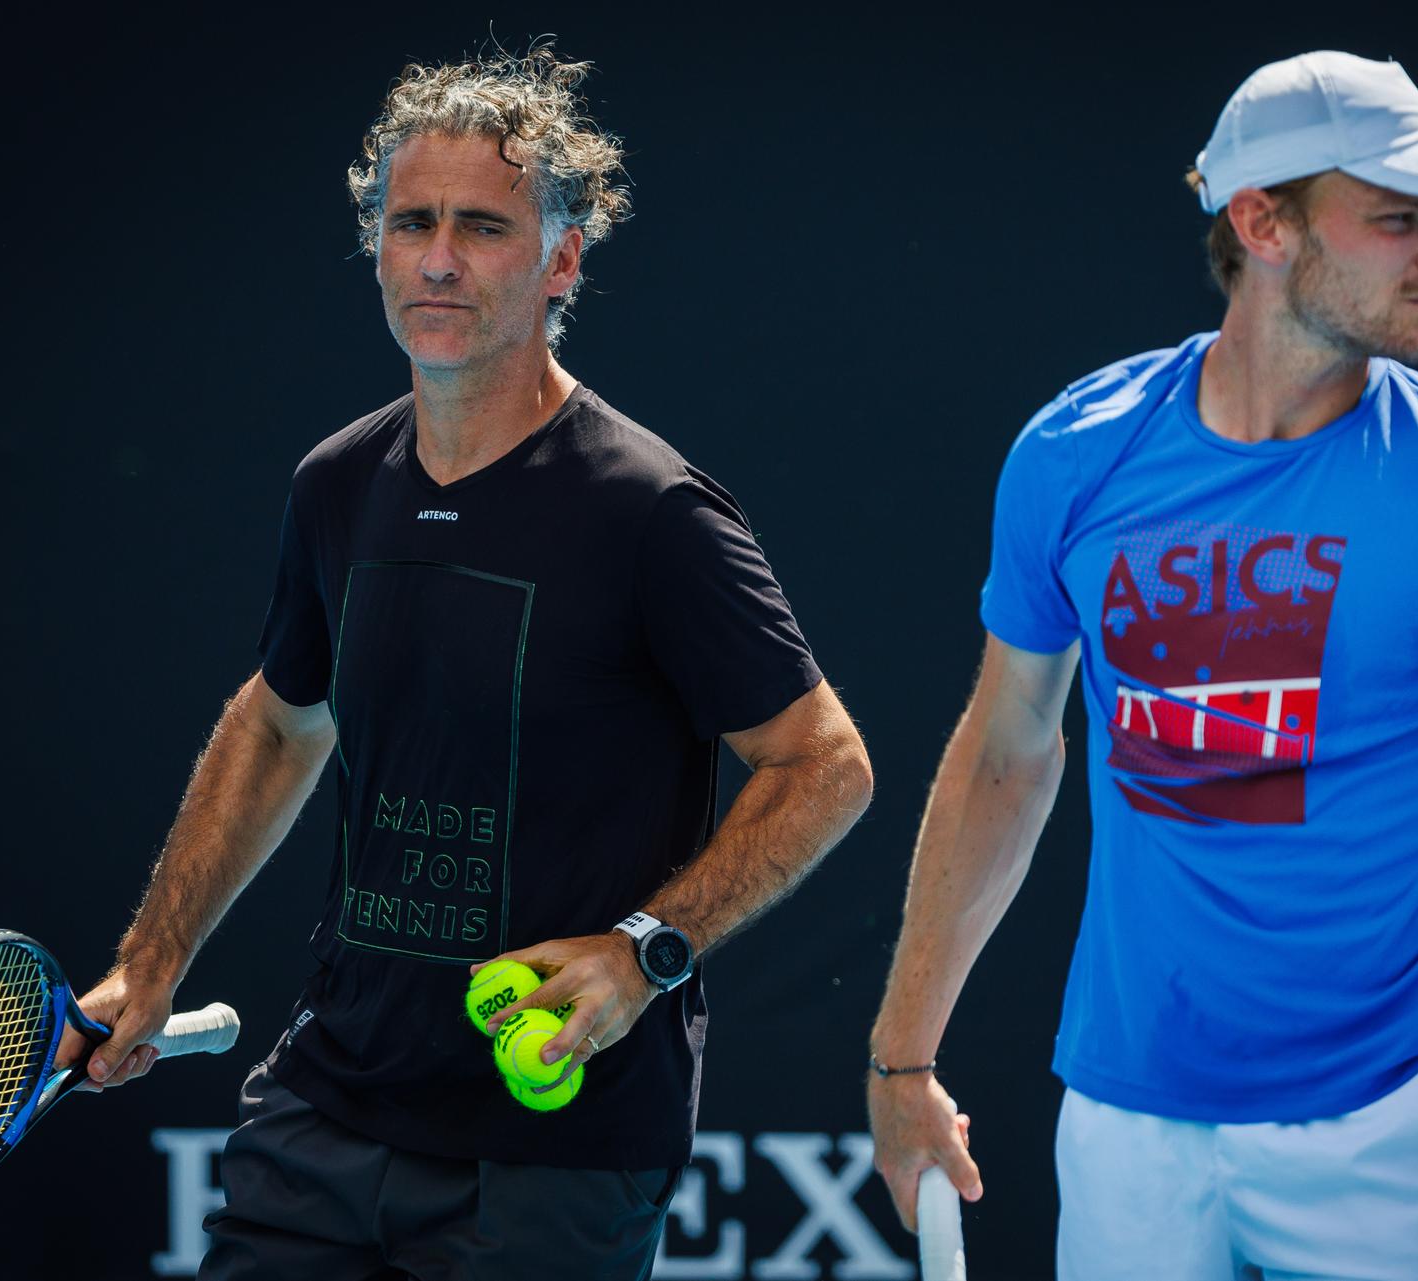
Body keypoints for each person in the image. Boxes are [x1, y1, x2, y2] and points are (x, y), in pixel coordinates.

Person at [55, 47, 873, 1280]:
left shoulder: (654, 511)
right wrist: (153, 959)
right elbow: (280, 723)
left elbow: (826, 764)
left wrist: (644, 951)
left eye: (483, 228)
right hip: (327, 1113)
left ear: (561, 260)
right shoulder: (336, 485)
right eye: (411, 223)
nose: (438, 259)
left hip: (557, 1163)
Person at [866, 50, 1418, 1281]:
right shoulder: (1073, 454)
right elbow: (1007, 752)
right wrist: (903, 1058)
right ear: (1263, 224)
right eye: (1401, 218)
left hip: (1387, 1130)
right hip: (1129, 1123)